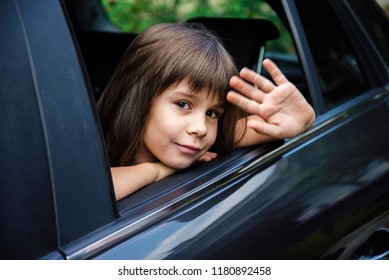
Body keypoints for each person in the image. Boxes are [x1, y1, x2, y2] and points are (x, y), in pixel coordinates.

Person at [97, 22, 315, 200]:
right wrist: (155, 171)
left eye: (212, 113)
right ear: (138, 97)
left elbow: (264, 127)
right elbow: (85, 195)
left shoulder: (198, 141)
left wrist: (304, 120)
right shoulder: (89, 146)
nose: (200, 128)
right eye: (183, 104)